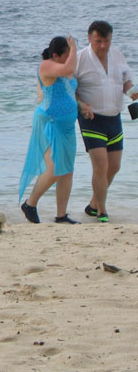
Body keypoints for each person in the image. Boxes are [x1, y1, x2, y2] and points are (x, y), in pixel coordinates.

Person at [74, 20, 138, 223]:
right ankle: (102, 211)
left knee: (114, 166)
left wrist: (133, 92)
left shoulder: (118, 55)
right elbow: (69, 89)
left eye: (107, 41)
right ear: (89, 38)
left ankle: (93, 205)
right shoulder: (79, 59)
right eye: (98, 41)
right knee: (100, 166)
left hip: (114, 117)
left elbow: (126, 81)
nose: (103, 46)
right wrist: (80, 104)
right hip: (91, 119)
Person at [19, 36, 80, 224]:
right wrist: (74, 48)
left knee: (67, 170)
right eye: (67, 54)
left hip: (67, 126)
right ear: (56, 55)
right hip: (51, 122)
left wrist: (81, 105)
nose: (70, 58)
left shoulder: (62, 67)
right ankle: (30, 204)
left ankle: (61, 215)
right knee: (54, 169)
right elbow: (69, 69)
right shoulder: (46, 66)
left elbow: (68, 92)